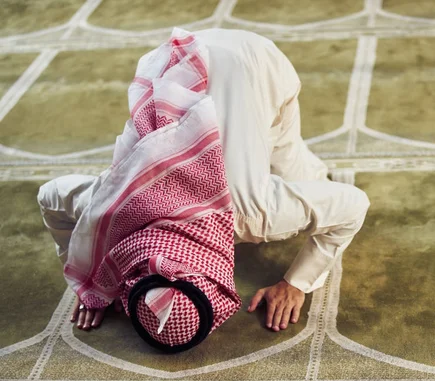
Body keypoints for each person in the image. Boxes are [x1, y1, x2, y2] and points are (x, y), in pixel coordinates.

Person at [37, 28, 370, 351]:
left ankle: (307, 176)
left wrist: (296, 284)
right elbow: (51, 195)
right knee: (279, 150)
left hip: (254, 60)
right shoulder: (113, 206)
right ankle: (302, 172)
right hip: (185, 52)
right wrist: (92, 283)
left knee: (283, 153)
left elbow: (355, 206)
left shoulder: (253, 215)